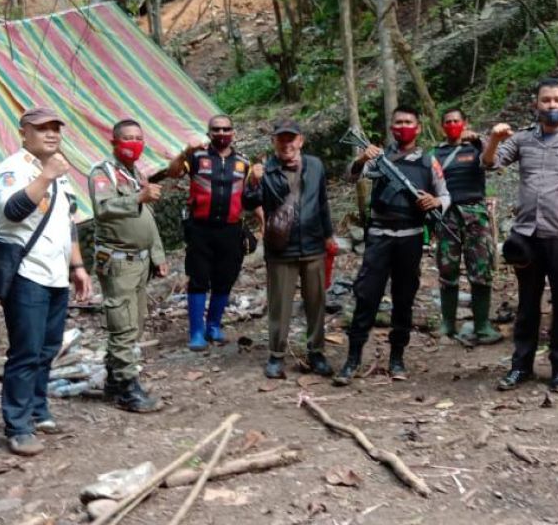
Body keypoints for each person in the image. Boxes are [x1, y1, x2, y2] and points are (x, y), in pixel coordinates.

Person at [484, 77, 558, 394]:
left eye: (557, 100)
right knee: (526, 304)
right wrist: (495, 139)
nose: (551, 105)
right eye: (545, 100)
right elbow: (490, 163)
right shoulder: (522, 140)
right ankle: (520, 366)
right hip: (527, 235)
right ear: (535, 104)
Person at [0, 106, 92, 456]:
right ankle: (17, 426)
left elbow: (68, 222)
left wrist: (77, 266)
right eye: (42, 129)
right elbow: (12, 211)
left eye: (55, 129)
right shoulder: (12, 169)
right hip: (24, 275)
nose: (51, 134)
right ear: (24, 133)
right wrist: (46, 175)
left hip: (55, 274)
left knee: (48, 348)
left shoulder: (60, 173)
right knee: (25, 351)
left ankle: (37, 408)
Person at [334, 106, 450, 385]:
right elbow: (351, 176)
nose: (403, 126)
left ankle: (397, 358)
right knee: (366, 296)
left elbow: (445, 194)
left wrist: (435, 203)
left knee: (404, 298)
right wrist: (362, 157)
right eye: (398, 122)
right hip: (380, 236)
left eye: (408, 122)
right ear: (391, 127)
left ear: (418, 127)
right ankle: (352, 360)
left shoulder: (428, 161)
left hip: (410, 237)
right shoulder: (378, 158)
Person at [242, 120, 337, 380]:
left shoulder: (315, 166)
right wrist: (252, 181)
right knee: (279, 304)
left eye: (291, 138)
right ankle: (276, 355)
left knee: (316, 303)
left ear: (300, 141)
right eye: (281, 139)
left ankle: (316, 352)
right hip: (280, 249)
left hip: (313, 244)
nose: (286, 144)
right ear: (274, 142)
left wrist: (328, 235)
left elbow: (322, 202)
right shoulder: (266, 169)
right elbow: (249, 202)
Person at [87, 119, 168, 413]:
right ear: (114, 142)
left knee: (134, 323)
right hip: (118, 262)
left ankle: (113, 380)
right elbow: (103, 209)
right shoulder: (103, 173)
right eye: (128, 138)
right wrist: (139, 197)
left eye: (138, 138)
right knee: (122, 325)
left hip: (140, 261)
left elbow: (147, 221)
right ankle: (128, 389)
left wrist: (158, 256)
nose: (134, 143)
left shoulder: (134, 174)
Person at [167, 115, 252, 351]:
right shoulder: (196, 157)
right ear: (209, 133)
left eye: (226, 129)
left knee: (225, 278)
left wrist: (262, 220)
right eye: (216, 130)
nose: (221, 133)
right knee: (198, 279)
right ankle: (196, 332)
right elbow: (172, 173)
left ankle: (213, 326)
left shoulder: (243, 162)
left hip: (231, 229)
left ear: (233, 132)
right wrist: (185, 151)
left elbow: (250, 194)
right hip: (200, 229)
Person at [431, 108, 501, 346]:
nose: (452, 124)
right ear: (442, 126)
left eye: (456, 121)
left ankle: (482, 325)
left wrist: (482, 139)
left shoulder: (476, 147)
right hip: (446, 215)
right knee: (447, 268)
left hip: (475, 215)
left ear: (465, 123)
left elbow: (492, 161)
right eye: (448, 121)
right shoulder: (435, 153)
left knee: (481, 269)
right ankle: (448, 323)